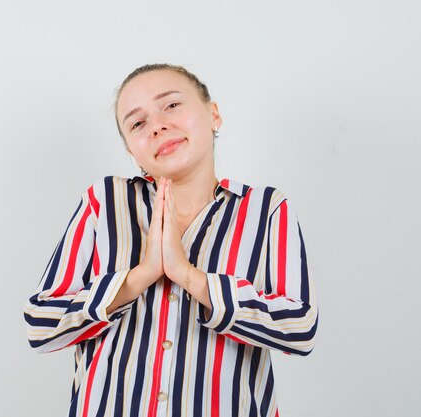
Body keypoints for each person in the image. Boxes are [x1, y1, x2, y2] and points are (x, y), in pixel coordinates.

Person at [24, 63, 318, 417]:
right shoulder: (104, 203)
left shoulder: (266, 209)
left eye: (172, 105)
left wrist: (190, 277)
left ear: (213, 114)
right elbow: (40, 325)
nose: (158, 126)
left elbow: (301, 328)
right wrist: (138, 278)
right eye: (137, 123)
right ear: (133, 153)